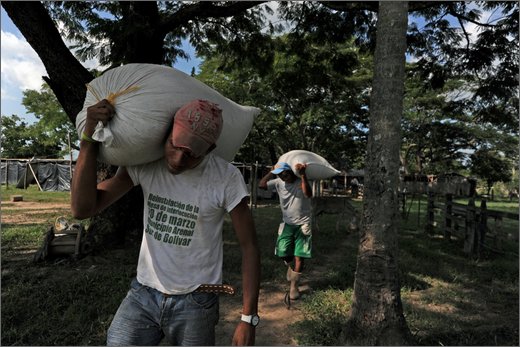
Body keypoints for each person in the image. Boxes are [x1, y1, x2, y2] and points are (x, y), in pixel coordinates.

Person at [71, 98, 260, 346]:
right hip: (143, 293)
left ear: (210, 149)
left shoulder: (225, 178)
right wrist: (89, 138)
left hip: (197, 302)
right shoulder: (147, 165)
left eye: (192, 154)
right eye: (175, 145)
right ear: (167, 131)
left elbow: (249, 247)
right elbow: (82, 208)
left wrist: (248, 318)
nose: (179, 159)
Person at [258, 161, 312, 300]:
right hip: (287, 224)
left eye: (285, 173)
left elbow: (308, 194)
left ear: (291, 172)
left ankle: (294, 286)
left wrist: (303, 174)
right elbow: (261, 185)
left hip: (303, 225)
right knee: (283, 253)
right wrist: (271, 172)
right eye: (280, 174)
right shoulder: (278, 182)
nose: (282, 177)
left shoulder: (301, 181)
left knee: (299, 256)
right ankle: (290, 266)